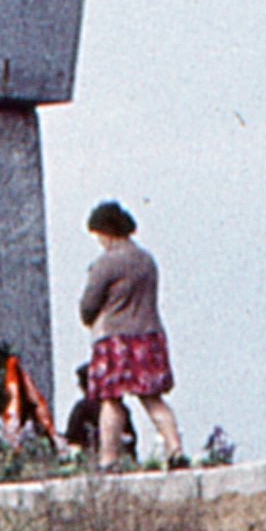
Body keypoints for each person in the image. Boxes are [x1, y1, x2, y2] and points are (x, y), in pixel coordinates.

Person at [75, 198, 187, 468]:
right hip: (148, 335)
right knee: (152, 398)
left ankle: (109, 459)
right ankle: (175, 449)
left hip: (115, 338)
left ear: (105, 231)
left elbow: (88, 306)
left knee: (111, 401)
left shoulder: (106, 263)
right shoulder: (146, 260)